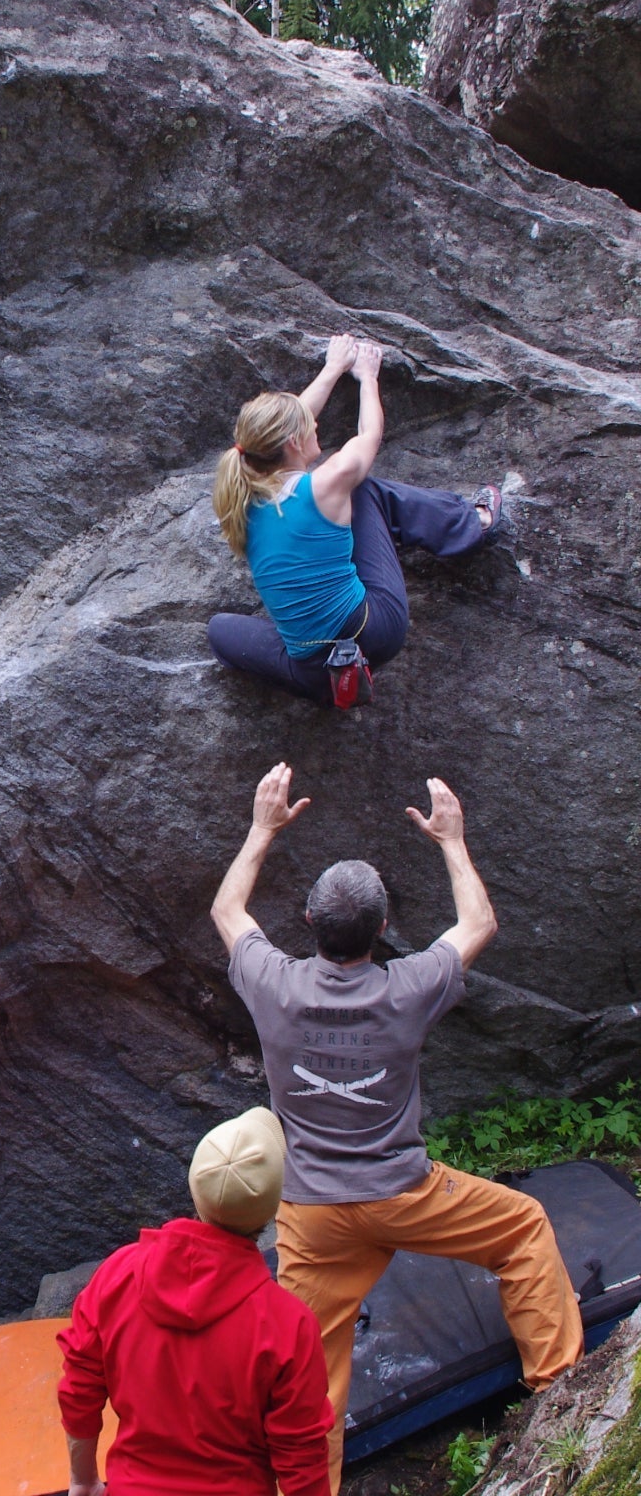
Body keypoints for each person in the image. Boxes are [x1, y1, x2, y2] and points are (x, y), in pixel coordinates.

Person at [211, 764, 582, 1492]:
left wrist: (261, 829)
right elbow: (479, 923)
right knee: (523, 1229)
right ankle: (562, 1396)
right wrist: (451, 839)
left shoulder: (273, 985)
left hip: (312, 1216)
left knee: (309, 1391)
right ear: (383, 932)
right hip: (407, 1195)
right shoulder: (409, 987)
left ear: (310, 924)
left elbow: (228, 910)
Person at [207, 335, 512, 704]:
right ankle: (473, 524)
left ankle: (334, 680)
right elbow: (370, 434)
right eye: (309, 425)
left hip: (311, 670)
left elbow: (272, 434)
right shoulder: (331, 481)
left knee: (220, 630)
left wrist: (333, 369)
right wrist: (367, 377)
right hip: (375, 632)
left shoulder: (242, 495)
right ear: (292, 442)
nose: (315, 426)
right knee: (365, 491)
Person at [57, 1107, 333, 1496]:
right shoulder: (289, 1325)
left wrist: (83, 1481)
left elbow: (78, 1391)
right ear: (271, 1211)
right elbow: (302, 1461)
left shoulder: (116, 1276)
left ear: (195, 1187)